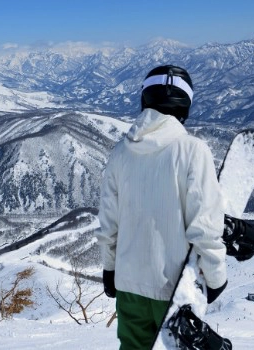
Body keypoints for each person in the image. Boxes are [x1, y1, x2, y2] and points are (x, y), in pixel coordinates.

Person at [95, 65, 228, 349]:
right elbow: (205, 227)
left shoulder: (120, 152)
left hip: (129, 284)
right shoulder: (193, 151)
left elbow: (109, 223)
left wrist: (109, 267)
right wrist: (216, 277)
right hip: (175, 288)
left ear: (145, 100)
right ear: (185, 105)